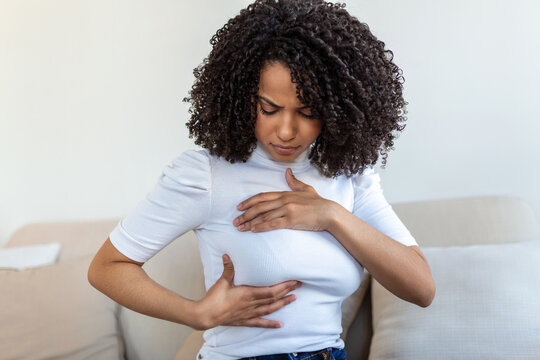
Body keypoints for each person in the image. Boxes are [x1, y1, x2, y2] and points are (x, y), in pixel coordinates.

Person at [88, 0, 436, 359]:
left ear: (336, 109)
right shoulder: (206, 175)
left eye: (307, 112)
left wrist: (330, 216)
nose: (286, 131)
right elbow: (107, 268)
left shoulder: (348, 178)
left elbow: (421, 288)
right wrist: (197, 314)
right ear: (243, 98)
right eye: (269, 108)